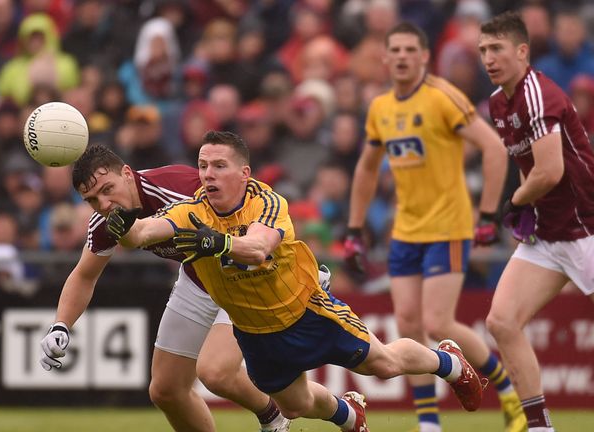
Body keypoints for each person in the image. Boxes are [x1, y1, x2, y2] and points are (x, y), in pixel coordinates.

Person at [106, 130, 484, 432]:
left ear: (244, 174)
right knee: (295, 406)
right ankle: (349, 415)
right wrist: (124, 228)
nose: (208, 174)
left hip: (306, 310)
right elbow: (144, 233)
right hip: (256, 334)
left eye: (219, 166)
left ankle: (448, 362)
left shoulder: (267, 202)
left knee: (383, 364)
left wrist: (218, 242)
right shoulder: (191, 210)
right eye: (203, 166)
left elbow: (258, 248)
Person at [343, 22, 523, 432]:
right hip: (406, 230)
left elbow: (493, 148)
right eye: (396, 50)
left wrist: (488, 215)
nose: (402, 57)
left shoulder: (443, 97)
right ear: (385, 58)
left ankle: (508, 391)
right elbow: (367, 169)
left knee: (439, 322)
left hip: (448, 225)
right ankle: (429, 423)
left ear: (425, 56)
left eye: (411, 50)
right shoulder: (381, 107)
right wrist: (354, 229)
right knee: (408, 324)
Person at [39, 145, 291, 432]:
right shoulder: (106, 221)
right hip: (198, 278)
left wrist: (290, 266)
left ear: (127, 174)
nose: (104, 204)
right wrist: (60, 324)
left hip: (244, 277)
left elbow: (255, 207)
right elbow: (84, 276)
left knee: (216, 372)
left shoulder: (179, 187)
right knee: (165, 390)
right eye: (92, 200)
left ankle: (274, 418)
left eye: (108, 189)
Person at [478, 12, 594, 432]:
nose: (488, 58)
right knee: (501, 321)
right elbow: (528, 166)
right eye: (483, 50)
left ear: (522, 51)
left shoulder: (539, 94)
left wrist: (513, 203)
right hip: (548, 235)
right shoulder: (498, 102)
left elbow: (549, 171)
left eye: (497, 49)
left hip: (585, 227)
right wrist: (527, 210)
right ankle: (540, 427)